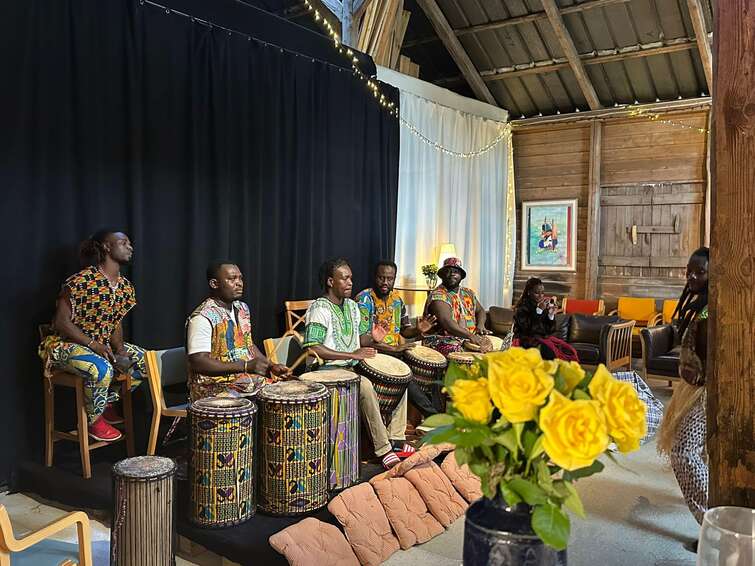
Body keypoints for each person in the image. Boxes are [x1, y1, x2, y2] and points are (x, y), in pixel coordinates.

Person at [303, 258, 411, 470]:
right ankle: (383, 449)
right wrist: (352, 354)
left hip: (350, 367)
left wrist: (373, 338)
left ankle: (396, 438)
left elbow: (361, 339)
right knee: (365, 385)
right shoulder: (319, 308)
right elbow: (313, 347)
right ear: (331, 282)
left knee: (400, 379)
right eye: (344, 278)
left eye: (351, 278)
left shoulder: (352, 307)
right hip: (324, 371)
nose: (350, 282)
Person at [38, 230, 145, 442]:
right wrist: (93, 344)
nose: (130, 247)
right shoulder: (81, 281)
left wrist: (120, 350)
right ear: (107, 247)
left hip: (101, 344)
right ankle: (93, 421)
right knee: (101, 368)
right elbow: (61, 322)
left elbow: (115, 322)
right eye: (123, 243)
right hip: (64, 345)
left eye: (130, 243)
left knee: (146, 362)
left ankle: (105, 403)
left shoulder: (124, 287)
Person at [186, 261, 291, 401]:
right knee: (268, 400)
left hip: (243, 383)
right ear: (214, 284)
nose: (239, 283)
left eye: (240, 278)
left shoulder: (242, 308)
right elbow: (198, 362)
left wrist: (271, 366)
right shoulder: (202, 317)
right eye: (232, 279)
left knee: (285, 392)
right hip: (212, 389)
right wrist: (245, 366)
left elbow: (248, 345)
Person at [658, 247, 709, 525]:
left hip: (706, 392)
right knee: (700, 450)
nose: (692, 277)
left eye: (700, 272)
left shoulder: (711, 308)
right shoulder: (701, 306)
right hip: (693, 388)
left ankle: (712, 520)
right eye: (689, 271)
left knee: (683, 451)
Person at [355, 260, 439, 417]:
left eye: (390, 278)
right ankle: (434, 417)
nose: (385, 282)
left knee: (431, 374)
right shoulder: (364, 299)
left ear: (394, 279)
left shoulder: (397, 300)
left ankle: (433, 417)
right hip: (372, 355)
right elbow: (362, 339)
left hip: (394, 353)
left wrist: (418, 329)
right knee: (407, 378)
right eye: (381, 278)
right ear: (375, 277)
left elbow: (405, 331)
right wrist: (394, 349)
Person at [422, 257, 492, 356]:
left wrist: (481, 325)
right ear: (442, 275)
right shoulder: (438, 295)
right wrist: (470, 336)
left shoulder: (468, 293)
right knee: (458, 350)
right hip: (441, 340)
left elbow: (480, 310)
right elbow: (447, 322)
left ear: (461, 276)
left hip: (467, 338)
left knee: (494, 346)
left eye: (456, 271)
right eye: (448, 271)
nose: (452, 274)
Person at [513, 277, 577, 361]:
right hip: (525, 340)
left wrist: (551, 315)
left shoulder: (542, 305)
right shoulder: (521, 308)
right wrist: (539, 311)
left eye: (542, 293)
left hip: (540, 339)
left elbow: (550, 331)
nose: (540, 296)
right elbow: (529, 330)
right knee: (550, 353)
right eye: (537, 293)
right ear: (529, 292)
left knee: (568, 351)